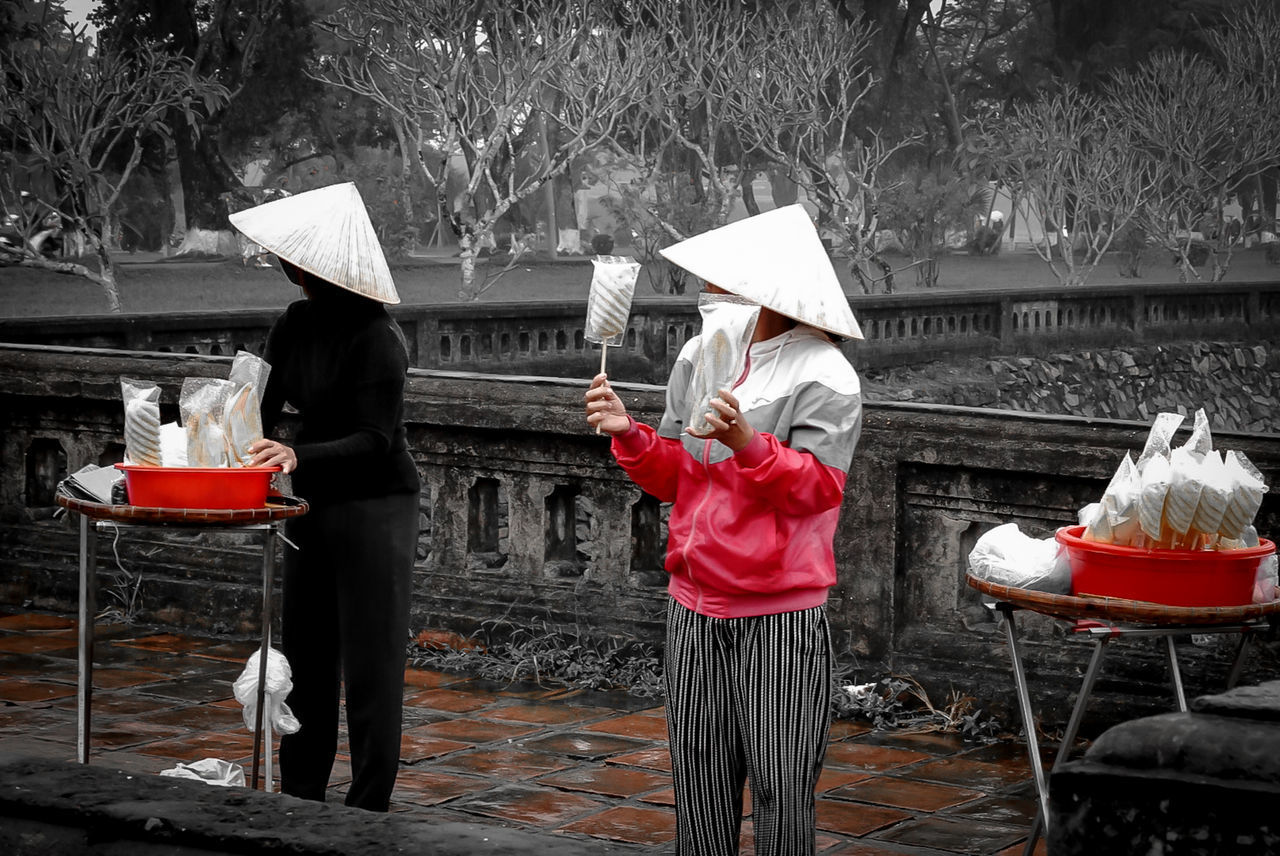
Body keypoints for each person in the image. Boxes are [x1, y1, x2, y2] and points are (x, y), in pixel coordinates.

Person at [584, 204, 864, 855]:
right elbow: (680, 474)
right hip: (693, 606)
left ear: (768, 288)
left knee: (779, 785)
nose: (708, 290)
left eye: (723, 278)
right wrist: (630, 434)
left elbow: (817, 490)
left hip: (777, 613)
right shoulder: (700, 355)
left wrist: (746, 440)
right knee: (700, 784)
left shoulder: (824, 373)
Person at [230, 182, 420, 812]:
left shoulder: (377, 336)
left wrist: (296, 454)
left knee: (370, 662)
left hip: (374, 507)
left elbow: (373, 438)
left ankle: (368, 804)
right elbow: (259, 404)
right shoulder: (294, 323)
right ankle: (302, 792)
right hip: (310, 504)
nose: (287, 266)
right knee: (306, 654)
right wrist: (219, 429)